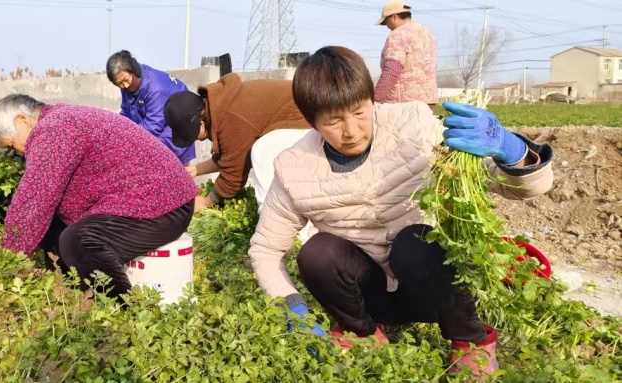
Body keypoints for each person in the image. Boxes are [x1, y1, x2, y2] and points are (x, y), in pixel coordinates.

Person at [248, 46, 554, 378]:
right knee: (317, 252)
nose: (351, 131)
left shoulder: (415, 127)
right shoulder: (295, 168)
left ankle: (471, 342)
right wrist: (293, 308)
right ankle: (363, 333)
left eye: (359, 111)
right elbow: (265, 250)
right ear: (312, 122)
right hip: (370, 296)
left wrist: (512, 151)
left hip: (435, 286)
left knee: (415, 241)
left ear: (371, 99)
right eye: (334, 121)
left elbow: (521, 187)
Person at [0, 94, 197, 299]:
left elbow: (35, 200)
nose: (17, 152)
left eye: (11, 145)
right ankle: (73, 293)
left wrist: (7, 261)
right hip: (155, 199)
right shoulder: (60, 118)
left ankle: (123, 308)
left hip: (163, 204)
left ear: (22, 119)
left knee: (78, 242)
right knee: (53, 228)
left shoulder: (51, 129)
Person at [163, 73, 311, 211]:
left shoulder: (231, 120)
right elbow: (231, 156)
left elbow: (233, 177)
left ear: (201, 124)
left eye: (191, 134)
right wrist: (197, 169)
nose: (195, 139)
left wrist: (206, 202)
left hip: (306, 120)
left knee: (263, 151)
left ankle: (273, 221)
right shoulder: (219, 104)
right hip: (300, 117)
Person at [106, 50, 194, 164]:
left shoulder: (155, 88)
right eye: (119, 84)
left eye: (126, 80)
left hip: (175, 128)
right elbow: (127, 112)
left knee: (163, 164)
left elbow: (153, 125)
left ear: (134, 70)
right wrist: (115, 129)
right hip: (156, 128)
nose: (125, 86)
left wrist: (127, 138)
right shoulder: (127, 86)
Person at [374, 1, 438, 109]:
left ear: (394, 17)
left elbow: (392, 71)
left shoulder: (398, 35)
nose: (387, 27)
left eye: (386, 22)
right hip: (429, 102)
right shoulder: (427, 33)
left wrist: (375, 99)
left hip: (405, 106)